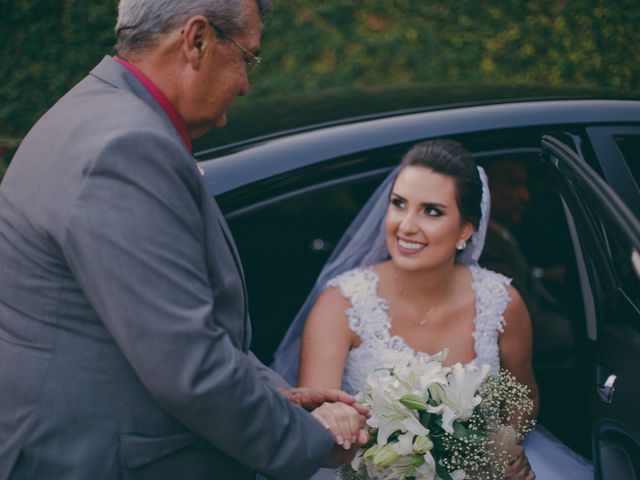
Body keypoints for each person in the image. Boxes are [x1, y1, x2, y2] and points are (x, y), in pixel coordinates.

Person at [0, 1, 368, 479]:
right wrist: (310, 440)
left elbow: (164, 325)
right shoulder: (127, 146)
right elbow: (188, 362)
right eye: (246, 57)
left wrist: (279, 397)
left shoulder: (92, 109)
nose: (244, 83)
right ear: (196, 41)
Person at [273, 139, 593, 479]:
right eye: (399, 204)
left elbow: (522, 397)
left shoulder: (501, 301)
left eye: (432, 211)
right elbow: (320, 418)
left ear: (466, 230)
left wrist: (503, 444)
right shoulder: (342, 303)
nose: (407, 225)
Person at [479, 157, 575, 371]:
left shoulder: (500, 239)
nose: (525, 196)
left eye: (525, 186)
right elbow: (530, 327)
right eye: (513, 184)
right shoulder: (489, 249)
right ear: (484, 188)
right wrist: (578, 334)